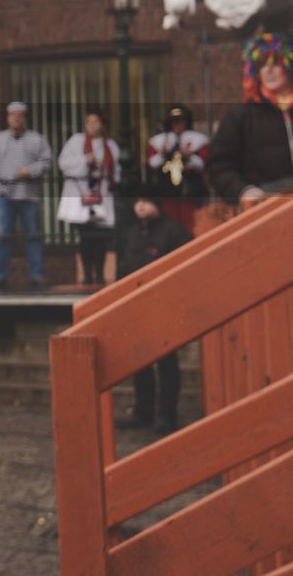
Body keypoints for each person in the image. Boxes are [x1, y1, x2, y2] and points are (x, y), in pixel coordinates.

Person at [117, 186, 193, 433]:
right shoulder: (130, 233)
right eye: (137, 200)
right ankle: (143, 411)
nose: (140, 205)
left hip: (164, 304)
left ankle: (167, 415)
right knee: (139, 361)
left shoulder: (174, 232)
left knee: (166, 361)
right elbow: (123, 267)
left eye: (146, 201)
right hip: (135, 304)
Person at [208, 33, 293, 209]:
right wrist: (243, 190)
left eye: (275, 63)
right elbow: (219, 164)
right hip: (264, 207)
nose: (268, 70)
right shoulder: (240, 115)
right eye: (261, 65)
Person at [0, 101, 53, 287]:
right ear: (8, 117)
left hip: (29, 196)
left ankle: (36, 274)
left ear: (25, 117)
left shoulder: (37, 139)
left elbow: (47, 162)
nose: (17, 117)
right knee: (3, 236)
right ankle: (0, 275)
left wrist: (30, 171)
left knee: (33, 235)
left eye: (20, 114)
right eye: (13, 114)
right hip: (5, 198)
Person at [57, 109, 120, 286]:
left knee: (100, 238)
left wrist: (101, 167)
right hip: (80, 197)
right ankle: (86, 274)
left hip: (102, 196)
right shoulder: (76, 141)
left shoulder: (110, 145)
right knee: (85, 237)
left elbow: (116, 172)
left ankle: (99, 274)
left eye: (95, 122)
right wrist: (85, 161)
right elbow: (64, 164)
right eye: (89, 122)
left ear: (102, 124)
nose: (92, 126)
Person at [146, 103, 210, 230]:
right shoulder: (158, 141)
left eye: (180, 121)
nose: (177, 124)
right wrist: (163, 154)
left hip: (190, 189)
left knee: (191, 223)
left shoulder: (198, 140)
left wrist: (189, 156)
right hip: (167, 190)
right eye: (174, 121)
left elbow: (205, 163)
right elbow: (151, 163)